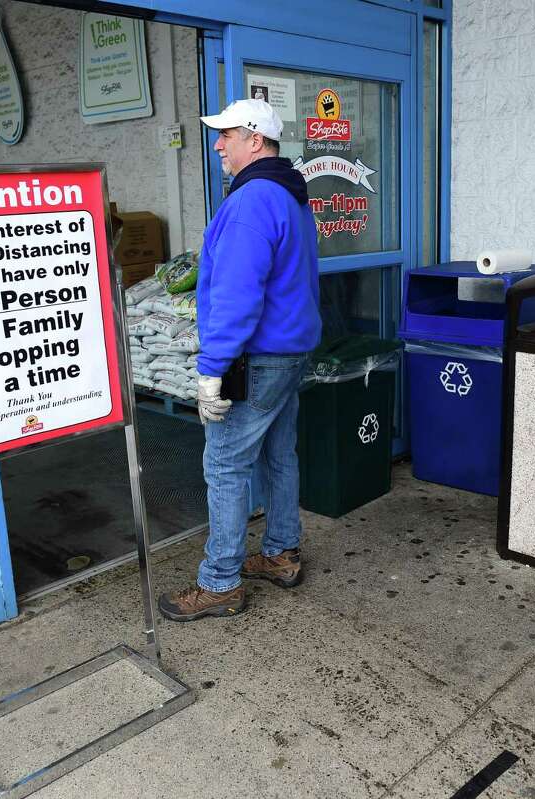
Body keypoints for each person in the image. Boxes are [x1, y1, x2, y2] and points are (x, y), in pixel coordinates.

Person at [158, 99, 321, 622]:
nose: (217, 145)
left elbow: (236, 293)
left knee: (225, 465)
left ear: (255, 139)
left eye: (225, 135)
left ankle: (221, 582)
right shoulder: (291, 196)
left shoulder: (252, 201)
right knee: (278, 455)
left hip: (257, 357)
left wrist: (212, 368)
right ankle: (280, 553)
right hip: (290, 351)